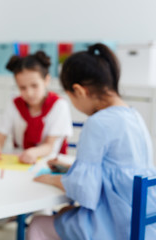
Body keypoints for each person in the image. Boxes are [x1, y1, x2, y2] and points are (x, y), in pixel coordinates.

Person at [28, 43, 156, 240]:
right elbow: (117, 170)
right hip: (141, 225)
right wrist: (68, 168)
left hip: (113, 226)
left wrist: (53, 179)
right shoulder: (134, 116)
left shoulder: (97, 123)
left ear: (79, 91)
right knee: (65, 216)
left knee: (38, 224)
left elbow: (84, 191)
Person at [0, 51, 73, 163]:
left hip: (50, 163)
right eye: (22, 88)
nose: (29, 93)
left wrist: (35, 153)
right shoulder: (14, 104)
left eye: (34, 86)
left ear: (46, 80)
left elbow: (49, 146)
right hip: (21, 163)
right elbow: (0, 138)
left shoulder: (59, 106)